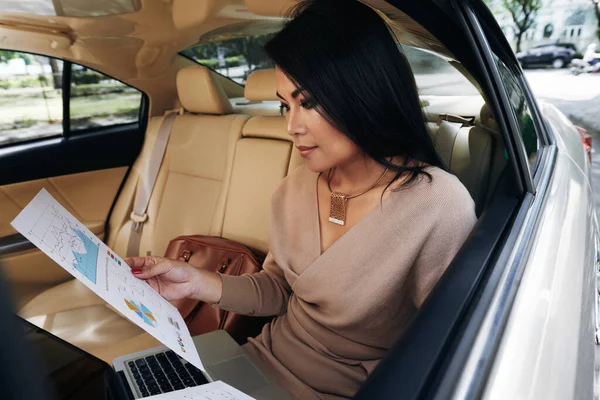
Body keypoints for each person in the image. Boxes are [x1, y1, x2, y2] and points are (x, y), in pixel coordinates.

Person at [125, 0, 477, 398]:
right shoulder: (294, 187)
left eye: (308, 102)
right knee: (126, 384)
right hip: (255, 359)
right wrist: (195, 282)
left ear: (363, 91)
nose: (291, 126)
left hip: (345, 390)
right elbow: (280, 288)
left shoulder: (437, 206)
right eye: (284, 104)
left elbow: (446, 351)